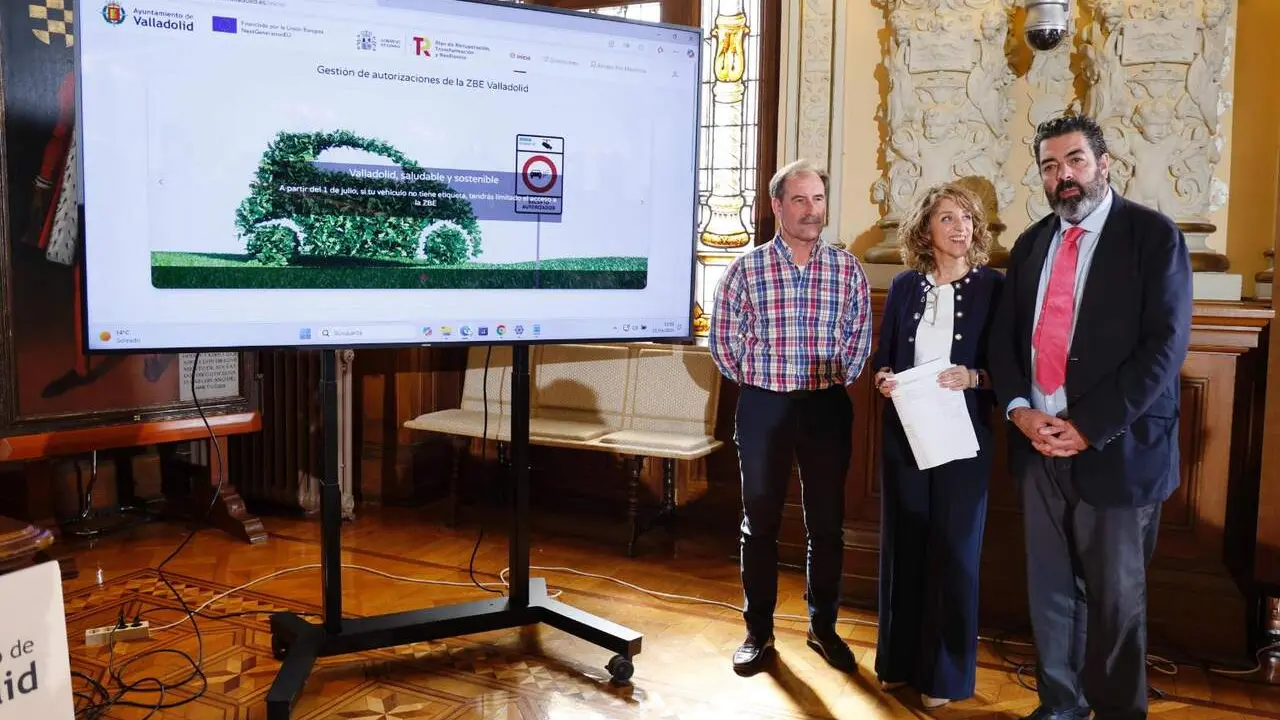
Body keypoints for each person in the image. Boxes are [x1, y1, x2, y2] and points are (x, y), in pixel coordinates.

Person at [987, 114, 1193, 720]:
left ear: (1105, 165)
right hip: (1037, 445)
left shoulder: (1153, 236)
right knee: (1050, 590)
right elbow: (1003, 343)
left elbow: (1165, 347)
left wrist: (1086, 425)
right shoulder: (1030, 244)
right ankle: (1060, 705)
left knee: (1114, 602)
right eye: (1051, 166)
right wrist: (1021, 412)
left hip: (1117, 448)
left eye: (1075, 160)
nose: (1064, 176)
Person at [709, 158, 872, 675]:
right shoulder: (745, 269)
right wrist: (761, 384)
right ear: (778, 206)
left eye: (818, 199)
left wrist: (831, 377)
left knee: (826, 526)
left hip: (826, 408)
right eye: (799, 200)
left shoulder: (846, 269)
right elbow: (723, 344)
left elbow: (858, 338)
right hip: (764, 406)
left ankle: (823, 628)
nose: (811, 210)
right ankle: (758, 632)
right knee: (759, 524)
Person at [871, 183, 1003, 709]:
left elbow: (1009, 368)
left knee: (954, 552)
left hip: (964, 436)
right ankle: (897, 662)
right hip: (904, 432)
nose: (960, 227)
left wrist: (973, 377)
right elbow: (884, 356)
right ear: (925, 229)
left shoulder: (993, 287)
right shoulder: (905, 286)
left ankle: (944, 678)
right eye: (947, 218)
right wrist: (883, 377)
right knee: (903, 545)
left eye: (967, 218)